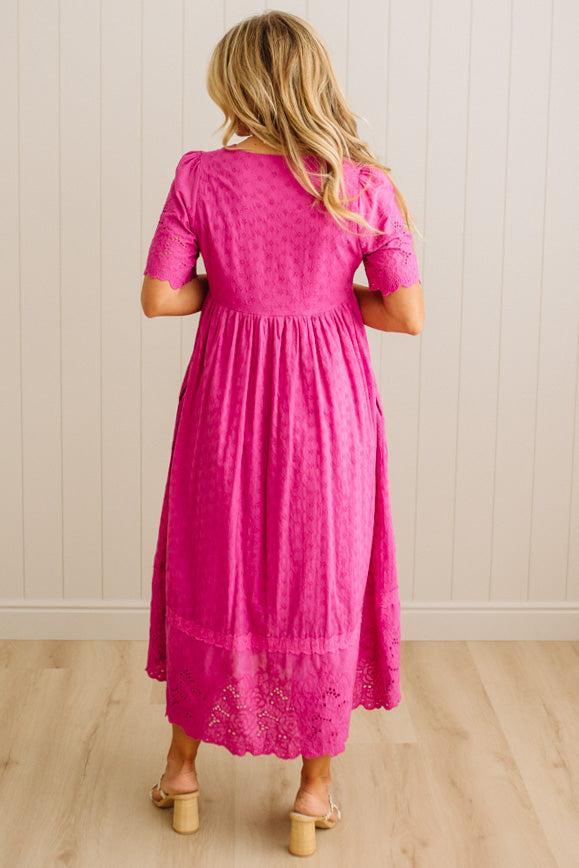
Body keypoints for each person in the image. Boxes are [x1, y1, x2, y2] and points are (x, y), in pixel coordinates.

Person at [141, 10, 423, 857]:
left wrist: (230, 296)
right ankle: (312, 794)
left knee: (213, 562)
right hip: (326, 406)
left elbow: (160, 298)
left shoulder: (200, 177)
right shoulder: (363, 183)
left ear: (235, 85)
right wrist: (328, 304)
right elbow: (405, 314)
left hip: (226, 396)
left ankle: (183, 773)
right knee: (320, 576)